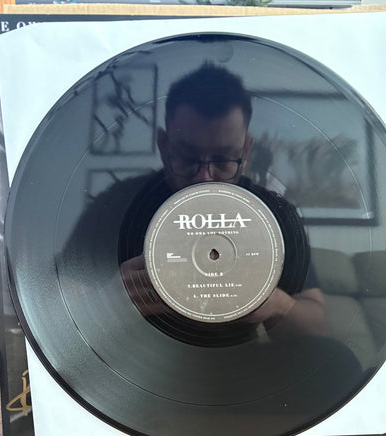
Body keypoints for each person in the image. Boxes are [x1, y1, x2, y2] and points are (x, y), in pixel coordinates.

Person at [117, 64, 326, 338]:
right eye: (188, 158)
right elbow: (68, 300)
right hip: (139, 355)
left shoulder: (273, 212)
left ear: (246, 150)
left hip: (240, 359)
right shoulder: (119, 205)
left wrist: (277, 303)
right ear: (163, 145)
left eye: (223, 159)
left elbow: (317, 325)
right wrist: (114, 297)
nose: (204, 178)